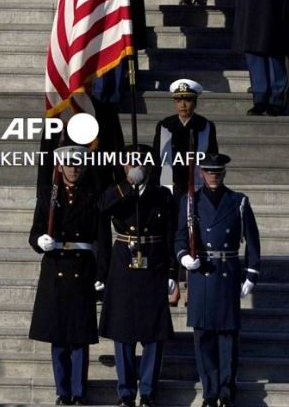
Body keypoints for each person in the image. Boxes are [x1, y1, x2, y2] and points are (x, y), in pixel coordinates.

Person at [174, 159, 260, 407]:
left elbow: (252, 240)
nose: (214, 176)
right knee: (204, 336)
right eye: (210, 171)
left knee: (227, 336)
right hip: (202, 273)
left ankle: (226, 391)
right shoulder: (190, 201)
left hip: (227, 271)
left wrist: (251, 273)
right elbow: (180, 237)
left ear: (224, 173)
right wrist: (184, 257)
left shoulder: (238, 201)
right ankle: (210, 393)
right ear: (202, 173)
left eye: (218, 172)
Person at [29, 147, 110, 405]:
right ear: (60, 166)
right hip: (55, 267)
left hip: (81, 268)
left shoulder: (92, 196)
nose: (73, 168)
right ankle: (63, 391)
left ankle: (78, 391)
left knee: (79, 336)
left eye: (77, 164)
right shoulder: (48, 195)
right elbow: (35, 231)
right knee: (58, 335)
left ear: (83, 167)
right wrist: (40, 241)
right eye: (68, 164)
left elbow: (102, 237)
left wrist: (102, 271)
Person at [98, 157, 175, 407]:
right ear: (124, 167)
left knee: (153, 333)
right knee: (123, 332)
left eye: (141, 164)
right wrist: (129, 183)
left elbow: (171, 233)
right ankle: (126, 392)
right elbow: (102, 207)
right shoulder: (118, 191)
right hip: (123, 263)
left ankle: (150, 391)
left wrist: (172, 272)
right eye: (131, 164)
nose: (137, 167)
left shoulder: (161, 195)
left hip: (152, 262)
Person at [152, 79, 220, 194]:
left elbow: (212, 157)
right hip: (169, 185)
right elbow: (156, 158)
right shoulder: (164, 125)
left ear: (195, 102)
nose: (183, 105)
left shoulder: (206, 125)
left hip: (197, 185)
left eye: (188, 100)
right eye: (178, 100)